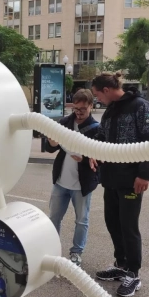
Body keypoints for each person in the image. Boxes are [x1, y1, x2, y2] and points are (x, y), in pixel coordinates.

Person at [90, 72, 149, 297]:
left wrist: (144, 174)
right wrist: (92, 151)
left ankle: (133, 273)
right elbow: (102, 137)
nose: (98, 99)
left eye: (97, 95)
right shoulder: (110, 110)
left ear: (107, 90)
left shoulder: (141, 107)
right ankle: (120, 265)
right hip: (110, 178)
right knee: (113, 223)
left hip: (131, 180)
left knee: (128, 226)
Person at [45, 89, 100, 267]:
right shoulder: (65, 122)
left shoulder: (97, 129)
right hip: (61, 182)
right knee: (53, 217)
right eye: (75, 108)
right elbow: (51, 147)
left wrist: (84, 159)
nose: (78, 112)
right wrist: (51, 143)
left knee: (82, 220)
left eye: (83, 108)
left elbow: (101, 159)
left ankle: (76, 252)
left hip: (82, 185)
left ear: (91, 106)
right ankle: (52, 249)